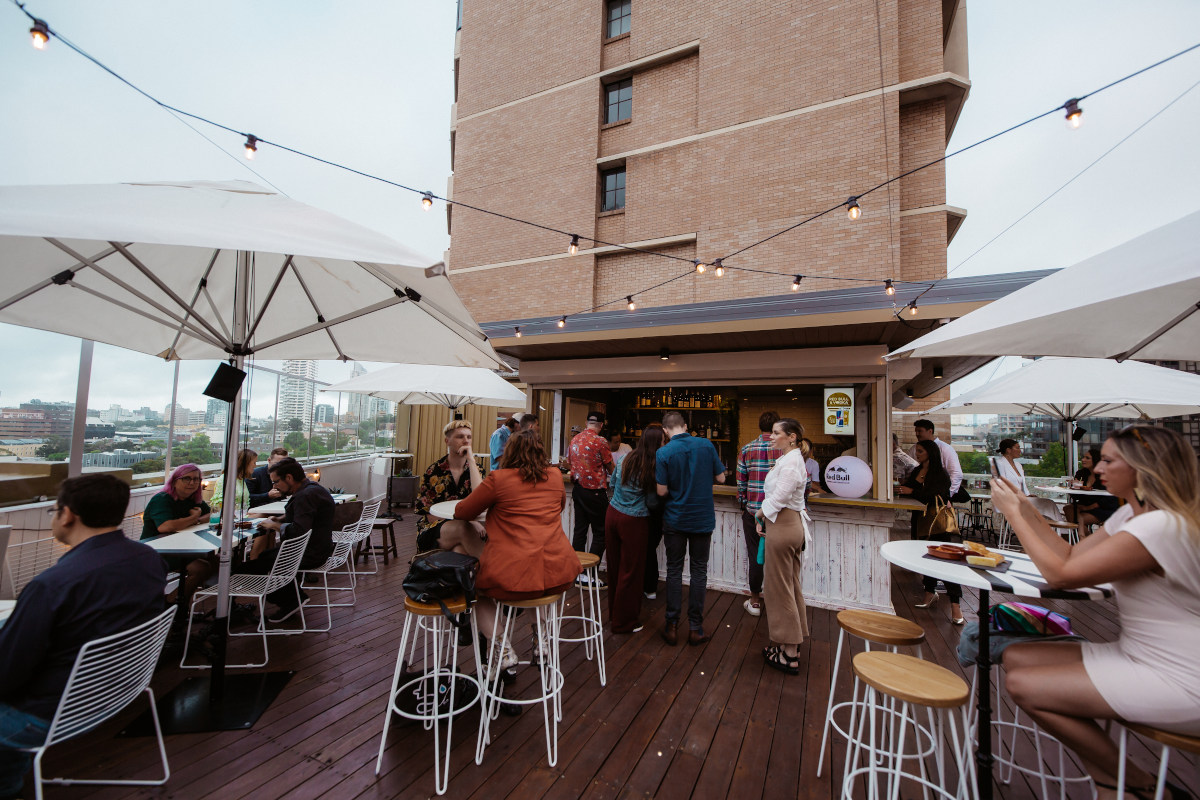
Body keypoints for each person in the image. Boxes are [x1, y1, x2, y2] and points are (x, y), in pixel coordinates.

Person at [992, 425, 1200, 799]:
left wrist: (1013, 516)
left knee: (1023, 685)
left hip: (1181, 675)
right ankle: (1115, 780)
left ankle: (1137, 784)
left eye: (1108, 459)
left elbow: (1061, 575)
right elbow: (1069, 554)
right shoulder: (1130, 517)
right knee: (1017, 655)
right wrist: (1024, 505)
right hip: (1138, 654)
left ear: (1142, 467)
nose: (1098, 468)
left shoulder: (1159, 526)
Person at [0, 474, 165, 800]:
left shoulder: (54, 584)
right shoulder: (148, 559)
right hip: (112, 694)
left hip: (49, 713)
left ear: (68, 514)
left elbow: (7, 673)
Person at [454, 430, 582, 663]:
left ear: (509, 451)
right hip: (557, 573)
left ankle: (503, 650)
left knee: (476, 592)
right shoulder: (554, 476)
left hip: (512, 575)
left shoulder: (499, 479)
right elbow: (560, 507)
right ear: (540, 451)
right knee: (533, 585)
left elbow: (462, 512)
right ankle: (541, 640)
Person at [656, 410, 726, 645]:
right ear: (685, 426)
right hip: (702, 519)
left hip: (675, 519)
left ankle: (671, 625)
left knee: (674, 571)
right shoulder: (706, 445)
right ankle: (695, 628)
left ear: (665, 430)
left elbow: (661, 491)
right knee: (699, 572)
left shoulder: (663, 452)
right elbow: (722, 478)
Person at [242, 457, 335, 622]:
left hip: (310, 553)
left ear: (289, 478)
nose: (274, 486)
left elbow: (299, 530)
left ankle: (291, 600)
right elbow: (305, 517)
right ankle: (292, 598)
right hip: (321, 547)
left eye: (276, 482)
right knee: (265, 557)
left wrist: (274, 525)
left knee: (255, 565)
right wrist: (280, 519)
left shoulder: (305, 496)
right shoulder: (312, 489)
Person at [754, 418, 811, 675]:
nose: (771, 437)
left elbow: (781, 496)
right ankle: (792, 644)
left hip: (784, 524)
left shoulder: (790, 463)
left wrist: (760, 514)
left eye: (776, 433)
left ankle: (788, 654)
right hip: (788, 524)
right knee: (789, 585)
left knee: (779, 589)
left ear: (792, 437)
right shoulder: (791, 459)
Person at [605, 425, 664, 633]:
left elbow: (612, 483)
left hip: (612, 514)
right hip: (634, 520)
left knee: (614, 567)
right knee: (631, 572)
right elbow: (656, 500)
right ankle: (623, 623)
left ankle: (614, 614)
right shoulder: (653, 465)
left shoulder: (625, 458)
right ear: (658, 443)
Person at [898, 439, 964, 625]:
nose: (917, 454)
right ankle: (929, 593)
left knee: (946, 562)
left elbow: (939, 495)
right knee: (925, 558)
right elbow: (912, 490)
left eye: (920, 451)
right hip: (922, 520)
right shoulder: (918, 470)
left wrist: (912, 491)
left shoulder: (940, 473)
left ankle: (955, 605)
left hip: (938, 523)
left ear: (930, 453)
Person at [141, 463, 213, 597]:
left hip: (183, 546)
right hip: (158, 551)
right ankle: (173, 604)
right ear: (175, 481)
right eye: (187, 478)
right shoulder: (162, 499)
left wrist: (196, 519)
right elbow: (165, 527)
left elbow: (210, 514)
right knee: (201, 568)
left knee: (218, 559)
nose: (192, 482)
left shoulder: (192, 499)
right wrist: (195, 517)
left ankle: (183, 600)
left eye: (196, 479)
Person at [414, 419, 485, 554]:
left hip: (466, 530)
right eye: (460, 436)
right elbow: (428, 514)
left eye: (469, 437)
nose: (466, 441)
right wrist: (469, 523)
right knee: (463, 529)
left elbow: (480, 497)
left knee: (460, 551)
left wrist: (471, 460)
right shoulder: (433, 472)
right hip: (434, 530)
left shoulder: (477, 470)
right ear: (447, 441)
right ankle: (491, 571)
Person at [736, 411, 780, 617]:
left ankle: (755, 601)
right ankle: (778, 601)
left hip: (754, 512)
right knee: (780, 559)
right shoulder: (784, 449)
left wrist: (745, 503)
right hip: (778, 514)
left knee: (756, 557)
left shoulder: (747, 448)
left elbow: (740, 482)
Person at [567, 411, 614, 568]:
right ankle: (590, 573)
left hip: (578, 490)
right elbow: (610, 467)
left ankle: (577, 570)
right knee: (601, 532)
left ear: (586, 423)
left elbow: (569, 463)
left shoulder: (575, 439)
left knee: (580, 530)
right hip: (595, 491)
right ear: (601, 425)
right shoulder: (601, 441)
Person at [1064, 447, 1120, 527]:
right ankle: (1081, 536)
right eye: (1083, 457)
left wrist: (1088, 507)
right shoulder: (1081, 474)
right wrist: (1073, 487)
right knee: (1068, 509)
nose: (1083, 460)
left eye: (1087, 458)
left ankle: (1082, 537)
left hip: (1102, 508)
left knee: (1077, 519)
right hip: (1085, 506)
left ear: (1095, 460)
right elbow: (1076, 496)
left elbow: (1109, 498)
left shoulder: (1104, 476)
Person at [641, 423, 667, 601]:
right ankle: (650, 587)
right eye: (664, 441)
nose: (666, 443)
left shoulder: (637, 461)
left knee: (645, 549)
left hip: (639, 512)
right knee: (649, 549)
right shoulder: (663, 462)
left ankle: (645, 586)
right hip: (657, 512)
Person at [911, 419, 964, 495]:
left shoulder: (945, 448)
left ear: (930, 431)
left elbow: (956, 473)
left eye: (920, 431)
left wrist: (948, 494)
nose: (917, 434)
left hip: (939, 497)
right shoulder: (913, 448)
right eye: (916, 431)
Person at [211, 448, 257, 513]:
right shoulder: (225, 479)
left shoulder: (241, 480)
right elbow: (219, 505)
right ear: (245, 463)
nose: (255, 466)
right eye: (254, 462)